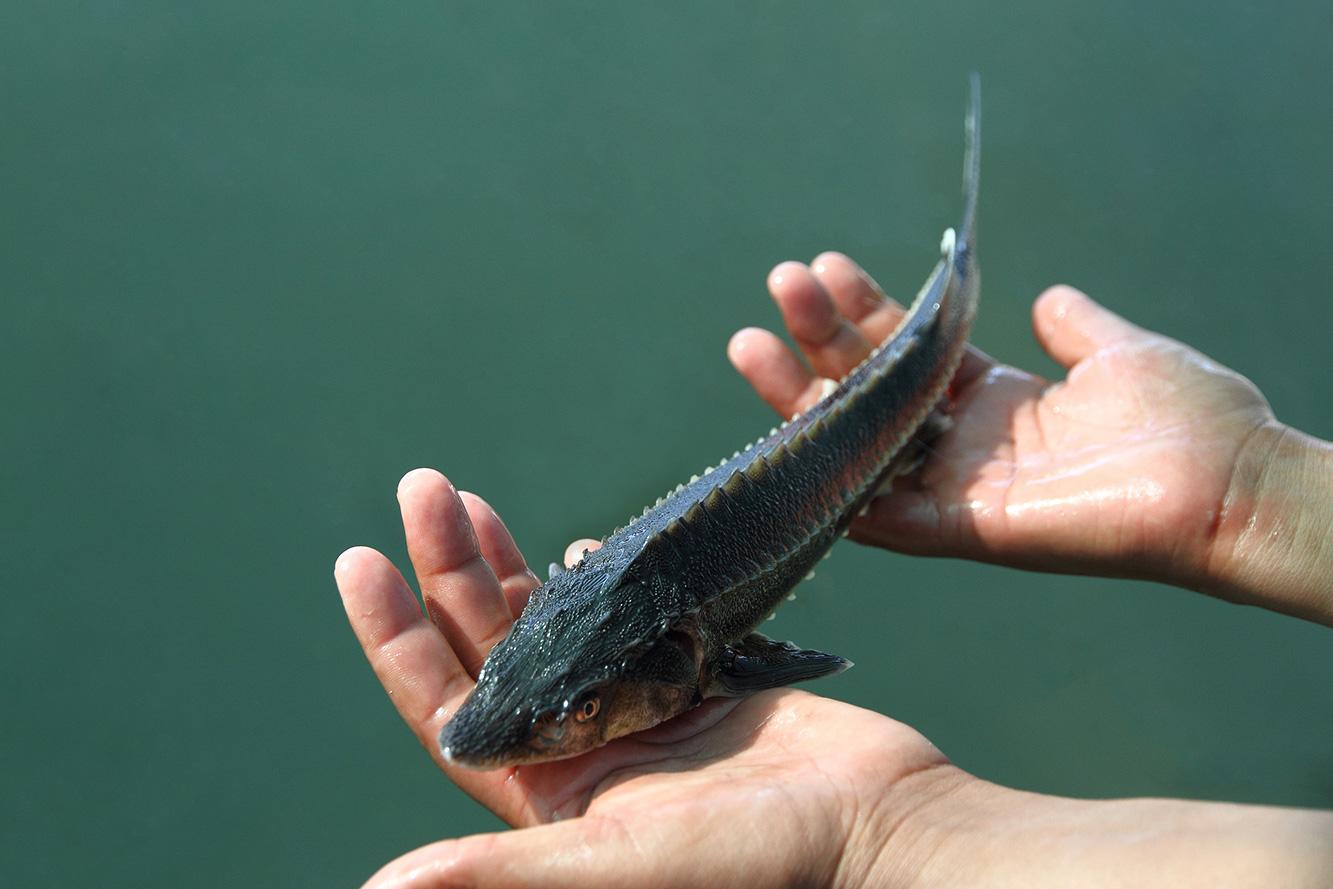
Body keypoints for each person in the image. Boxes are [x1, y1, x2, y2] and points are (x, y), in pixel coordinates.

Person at [335, 253, 1333, 888]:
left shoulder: (693, 652)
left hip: (867, 423)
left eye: (579, 713)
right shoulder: (623, 639)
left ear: (687, 657)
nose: (554, 731)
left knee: (910, 358)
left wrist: (880, 844)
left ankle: (942, 304)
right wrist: (1264, 495)